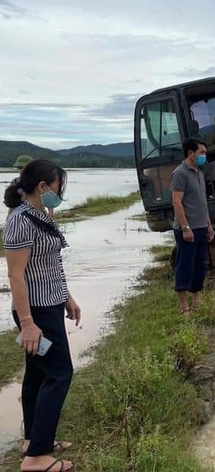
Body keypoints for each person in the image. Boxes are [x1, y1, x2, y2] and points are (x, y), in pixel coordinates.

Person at [3, 159, 81, 472]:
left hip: (50, 304)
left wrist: (67, 297)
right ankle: (37, 458)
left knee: (37, 373)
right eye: (60, 185)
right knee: (60, 374)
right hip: (36, 312)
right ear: (43, 186)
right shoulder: (20, 220)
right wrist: (27, 324)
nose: (62, 192)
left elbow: (51, 264)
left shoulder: (38, 215)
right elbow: (15, 275)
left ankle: (32, 440)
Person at [171, 139, 215, 315]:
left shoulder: (199, 173)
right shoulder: (180, 173)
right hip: (188, 229)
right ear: (190, 153)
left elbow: (202, 202)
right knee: (185, 266)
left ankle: (196, 300)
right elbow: (177, 202)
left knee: (200, 265)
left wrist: (208, 224)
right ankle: (184, 306)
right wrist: (185, 228)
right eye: (201, 152)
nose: (204, 155)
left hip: (201, 227)